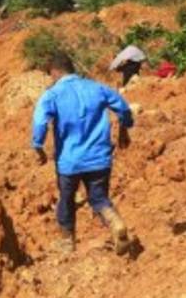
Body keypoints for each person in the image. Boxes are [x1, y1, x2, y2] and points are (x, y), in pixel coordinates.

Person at [31, 51, 134, 255]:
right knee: (98, 198)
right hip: (99, 158)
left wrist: (38, 146)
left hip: (69, 161)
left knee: (67, 199)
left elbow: (40, 121)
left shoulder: (52, 94)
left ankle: (67, 242)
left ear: (55, 72)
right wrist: (124, 129)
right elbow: (123, 108)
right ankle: (115, 223)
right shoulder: (97, 88)